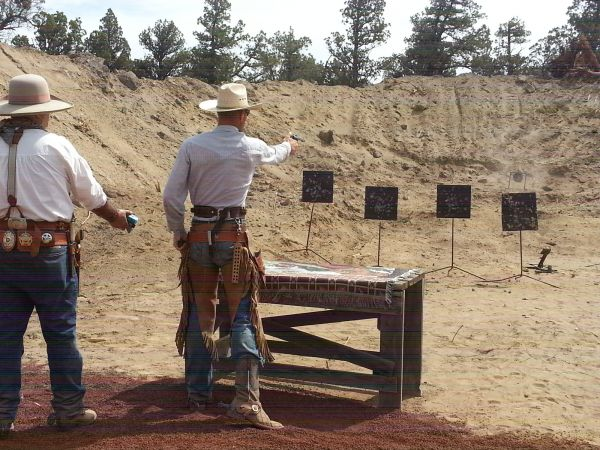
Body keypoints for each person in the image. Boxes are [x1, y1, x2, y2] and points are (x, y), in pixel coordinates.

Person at [0, 74, 132, 438]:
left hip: (3, 252)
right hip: (49, 254)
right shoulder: (56, 145)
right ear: (43, 112)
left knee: (5, 337)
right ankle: (69, 409)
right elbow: (91, 197)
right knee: (60, 333)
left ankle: (2, 414)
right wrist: (117, 218)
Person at [163, 82, 299, 430]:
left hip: (199, 235)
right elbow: (276, 154)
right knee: (243, 316)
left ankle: (197, 394)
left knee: (199, 313)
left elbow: (171, 197)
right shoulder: (251, 147)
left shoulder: (192, 145)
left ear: (218, 113)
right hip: (233, 238)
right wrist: (289, 144)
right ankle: (247, 401)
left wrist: (178, 232)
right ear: (243, 114)